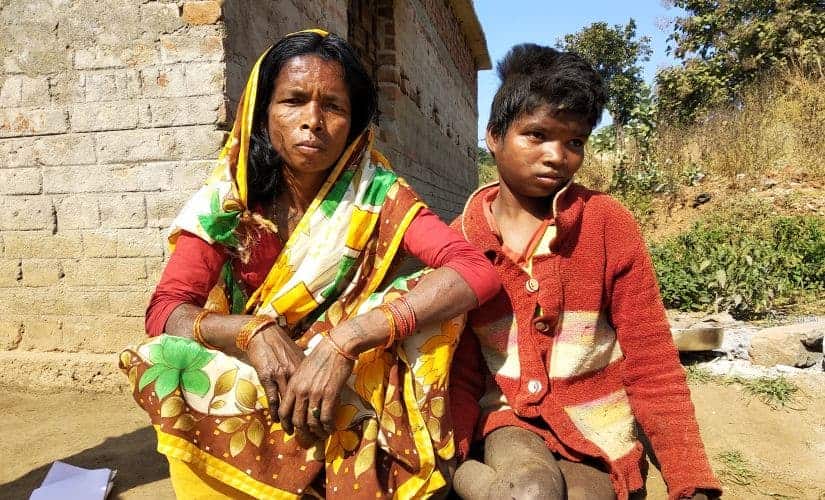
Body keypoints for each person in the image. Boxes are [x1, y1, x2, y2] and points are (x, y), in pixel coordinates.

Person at [119, 29, 500, 499]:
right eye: (294, 101)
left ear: (354, 122)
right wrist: (251, 331)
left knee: (429, 298)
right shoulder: (229, 201)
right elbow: (165, 311)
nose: (313, 121)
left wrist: (347, 340)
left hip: (345, 378)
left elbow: (473, 270)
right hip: (257, 371)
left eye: (333, 107)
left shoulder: (377, 194)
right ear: (262, 112)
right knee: (162, 359)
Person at [448, 44, 723, 500]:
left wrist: (688, 479)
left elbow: (652, 361)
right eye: (536, 135)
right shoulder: (462, 240)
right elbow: (458, 366)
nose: (557, 155)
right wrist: (452, 453)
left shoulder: (607, 224)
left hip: (598, 429)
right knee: (532, 489)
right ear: (494, 136)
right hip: (509, 421)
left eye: (574, 142)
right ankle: (465, 477)